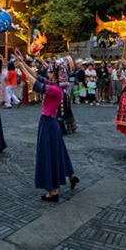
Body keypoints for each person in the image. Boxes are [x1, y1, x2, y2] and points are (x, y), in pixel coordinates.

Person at [14, 50, 79, 202]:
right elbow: (37, 77)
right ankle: (65, 180)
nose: (48, 72)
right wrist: (22, 63)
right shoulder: (55, 86)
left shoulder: (56, 90)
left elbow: (35, 84)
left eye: (51, 71)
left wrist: (22, 68)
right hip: (50, 123)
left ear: (56, 74)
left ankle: (54, 191)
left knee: (49, 155)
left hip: (49, 123)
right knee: (57, 153)